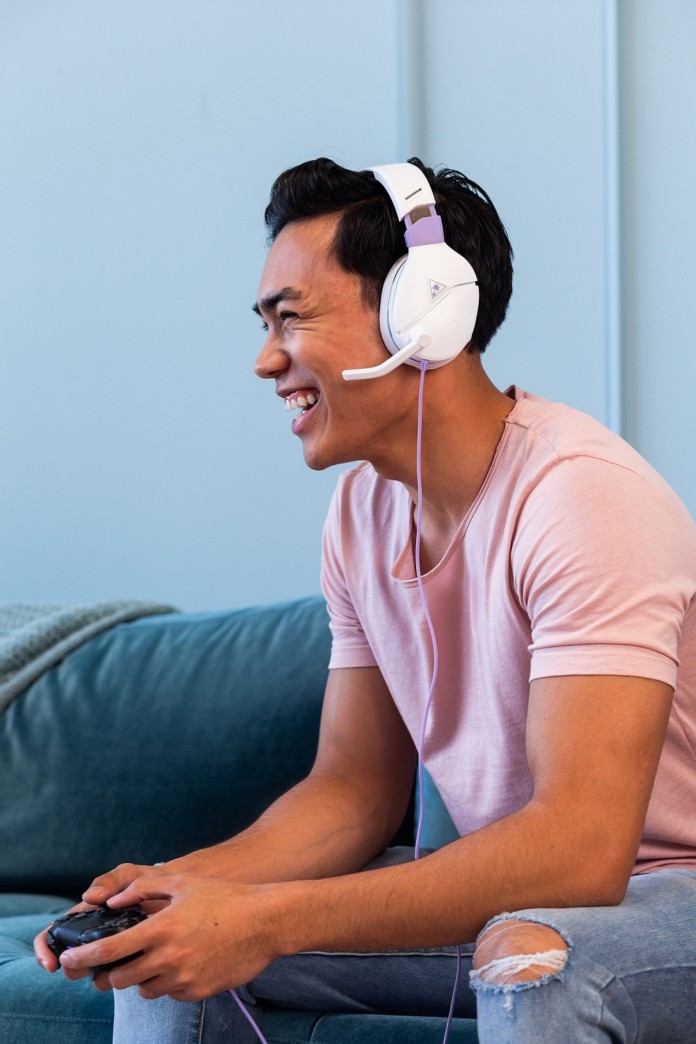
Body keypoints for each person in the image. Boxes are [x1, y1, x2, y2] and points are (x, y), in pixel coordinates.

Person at [35, 157, 696, 1042]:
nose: (266, 360)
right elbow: (351, 789)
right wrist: (191, 888)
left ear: (423, 313)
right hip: (521, 900)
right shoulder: (362, 513)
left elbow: (581, 849)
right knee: (171, 953)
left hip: (665, 895)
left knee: (529, 959)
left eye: (291, 318)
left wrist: (271, 918)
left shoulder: (582, 495)